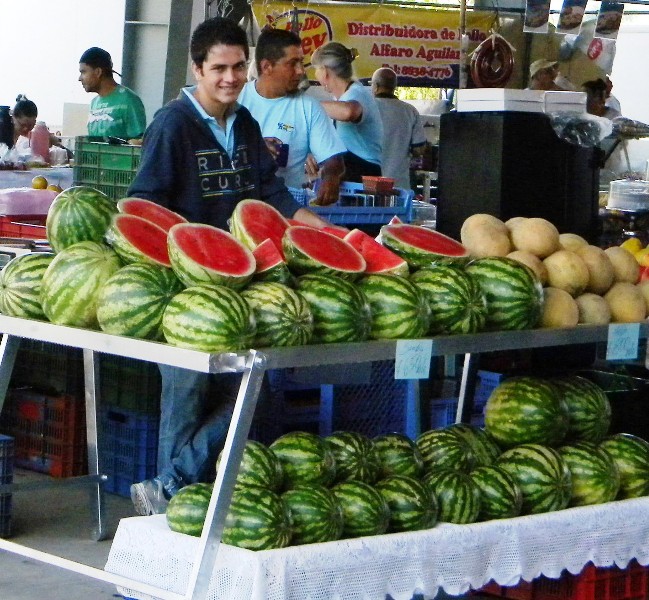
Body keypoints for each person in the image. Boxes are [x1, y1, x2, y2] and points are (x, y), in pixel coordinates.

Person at [127, 16, 334, 516]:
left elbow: (271, 194)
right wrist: (183, 257)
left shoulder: (244, 123)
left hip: (243, 283)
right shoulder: (172, 125)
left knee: (251, 392)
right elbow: (142, 203)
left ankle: (172, 488)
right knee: (186, 396)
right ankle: (167, 508)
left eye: (238, 66)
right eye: (219, 67)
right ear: (196, 68)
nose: (231, 77)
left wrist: (322, 231)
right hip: (186, 292)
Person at [238, 28, 345, 205]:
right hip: (240, 202)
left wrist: (331, 177)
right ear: (267, 67)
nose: (301, 71)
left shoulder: (309, 107)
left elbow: (333, 159)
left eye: (301, 63)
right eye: (292, 63)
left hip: (288, 206)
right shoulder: (237, 99)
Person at [311, 42, 383, 182]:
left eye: (316, 69)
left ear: (324, 72)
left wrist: (310, 105)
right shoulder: (342, 96)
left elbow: (349, 112)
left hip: (362, 178)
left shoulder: (356, 94)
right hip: (349, 176)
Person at [370, 68, 426, 191]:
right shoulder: (410, 111)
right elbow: (419, 149)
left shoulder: (366, 108)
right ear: (394, 87)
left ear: (376, 86)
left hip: (368, 183)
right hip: (399, 185)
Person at [79, 46, 147, 141]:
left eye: (83, 72)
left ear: (98, 72)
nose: (80, 78)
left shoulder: (129, 100)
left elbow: (139, 143)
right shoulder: (94, 103)